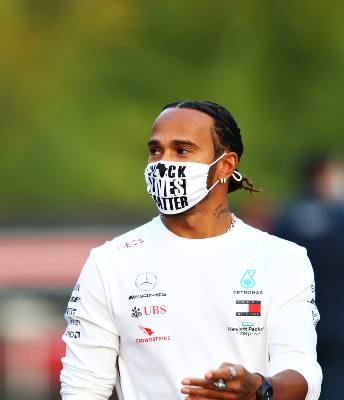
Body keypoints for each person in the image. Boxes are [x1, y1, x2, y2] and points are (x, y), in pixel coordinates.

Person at [60, 101, 321, 400]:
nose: (164, 163)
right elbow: (82, 387)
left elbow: (303, 373)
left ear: (225, 165)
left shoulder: (283, 259)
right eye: (156, 151)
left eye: (181, 151)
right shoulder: (110, 262)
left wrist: (257, 388)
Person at [274, 153, 344, 399]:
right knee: (337, 385)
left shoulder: (286, 220)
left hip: (297, 322)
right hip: (342, 322)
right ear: (323, 176)